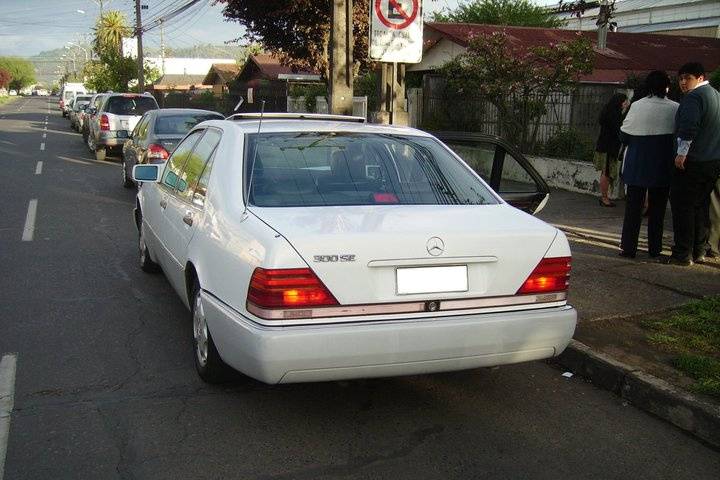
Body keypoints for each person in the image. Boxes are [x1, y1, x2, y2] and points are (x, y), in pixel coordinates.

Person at [664, 62, 720, 266]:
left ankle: (682, 253)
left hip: (692, 161)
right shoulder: (716, 95)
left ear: (700, 78)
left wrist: (681, 154)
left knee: (683, 207)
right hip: (712, 161)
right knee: (701, 207)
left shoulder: (694, 98)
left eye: (687, 78)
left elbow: (688, 127)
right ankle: (699, 250)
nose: (683, 82)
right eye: (680, 78)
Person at [618, 71, 678, 259]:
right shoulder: (675, 107)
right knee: (658, 210)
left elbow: (624, 135)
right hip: (662, 163)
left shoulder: (637, 106)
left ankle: (629, 248)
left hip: (637, 162)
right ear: (667, 87)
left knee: (633, 209)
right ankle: (655, 248)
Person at [593, 93, 628, 206]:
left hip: (604, 146)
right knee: (607, 172)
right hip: (609, 147)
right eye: (624, 101)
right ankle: (604, 198)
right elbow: (618, 130)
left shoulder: (607, 111)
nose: (626, 104)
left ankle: (604, 196)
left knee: (605, 171)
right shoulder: (614, 114)